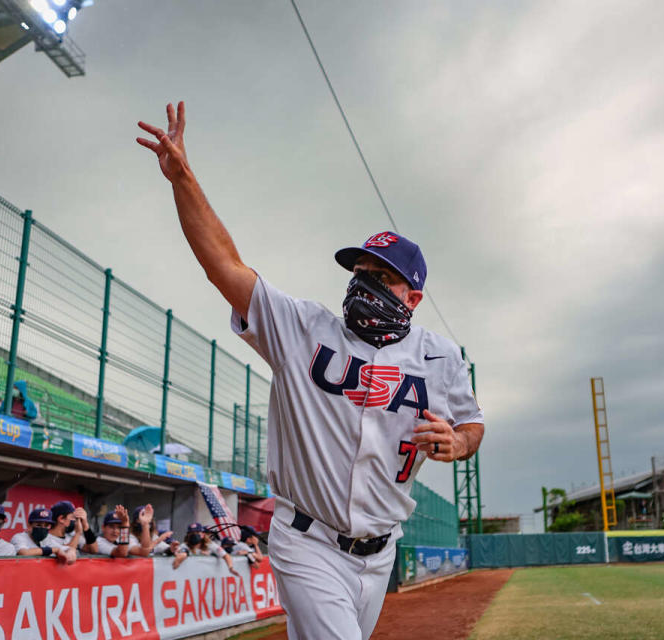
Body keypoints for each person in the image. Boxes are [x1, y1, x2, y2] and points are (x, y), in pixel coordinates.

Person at [137, 102, 484, 640]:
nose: (363, 282)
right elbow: (223, 264)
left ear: (413, 297)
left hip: (381, 550)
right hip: (307, 541)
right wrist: (182, 178)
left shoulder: (440, 356)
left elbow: (471, 425)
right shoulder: (303, 329)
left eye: (381, 277)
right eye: (359, 271)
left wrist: (459, 443)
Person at [11, 507, 76, 564]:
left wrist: (71, 553)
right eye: (38, 525)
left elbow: (69, 549)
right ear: (29, 525)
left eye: (46, 526)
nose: (42, 528)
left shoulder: (47, 539)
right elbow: (24, 553)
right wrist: (54, 550)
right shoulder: (19, 537)